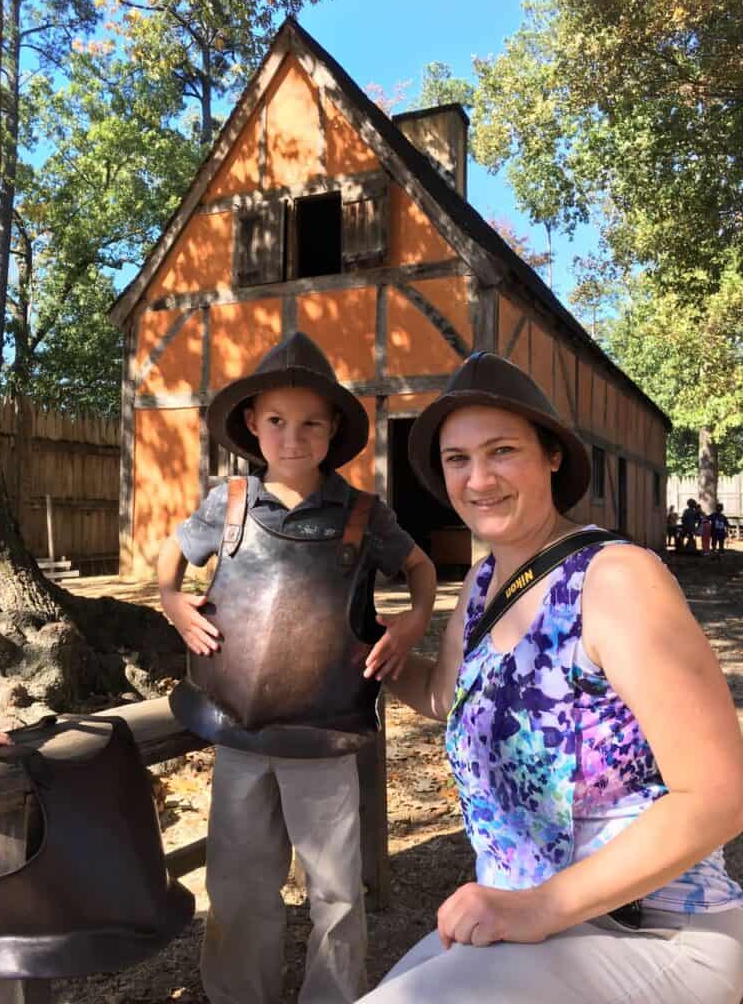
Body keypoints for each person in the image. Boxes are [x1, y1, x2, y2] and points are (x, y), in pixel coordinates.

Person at [358, 352, 743, 1004]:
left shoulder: (614, 578)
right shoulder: (483, 586)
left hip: (654, 928)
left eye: (502, 450)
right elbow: (442, 696)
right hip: (529, 922)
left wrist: (538, 907)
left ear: (552, 457)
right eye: (457, 459)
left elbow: (718, 795)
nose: (478, 479)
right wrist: (365, 644)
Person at [158, 332, 436, 1004]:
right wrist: (171, 602)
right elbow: (170, 556)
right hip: (238, 732)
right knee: (237, 885)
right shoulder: (226, 505)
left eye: (311, 422)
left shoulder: (362, 514)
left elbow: (421, 566)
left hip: (324, 734)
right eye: (277, 421)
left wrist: (414, 619)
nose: (292, 436)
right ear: (252, 425)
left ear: (334, 428)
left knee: (337, 891)